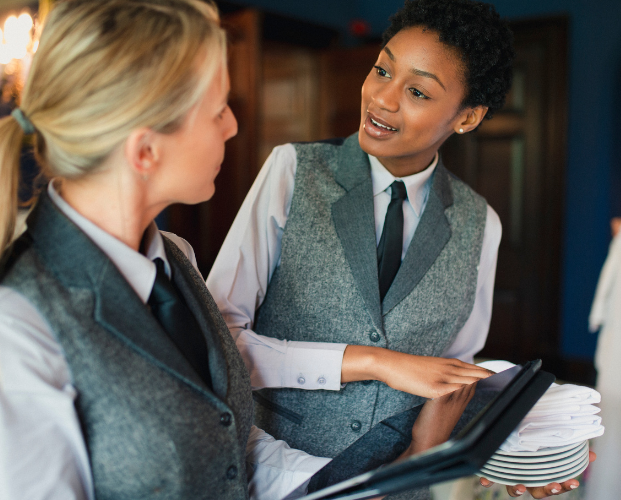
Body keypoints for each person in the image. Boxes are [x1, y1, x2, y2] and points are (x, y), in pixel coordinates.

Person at [0, 1, 486, 499]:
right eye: (218, 110)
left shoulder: (174, 261)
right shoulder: (5, 336)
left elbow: (239, 453)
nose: (233, 128)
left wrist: (387, 483)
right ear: (145, 150)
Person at [207, 0, 586, 497]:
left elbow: (453, 380)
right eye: (382, 69)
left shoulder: (480, 223)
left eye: (417, 91)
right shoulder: (292, 172)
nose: (381, 99)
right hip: (269, 475)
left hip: (403, 486)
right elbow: (216, 342)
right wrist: (376, 361)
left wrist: (514, 456)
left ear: (467, 117)